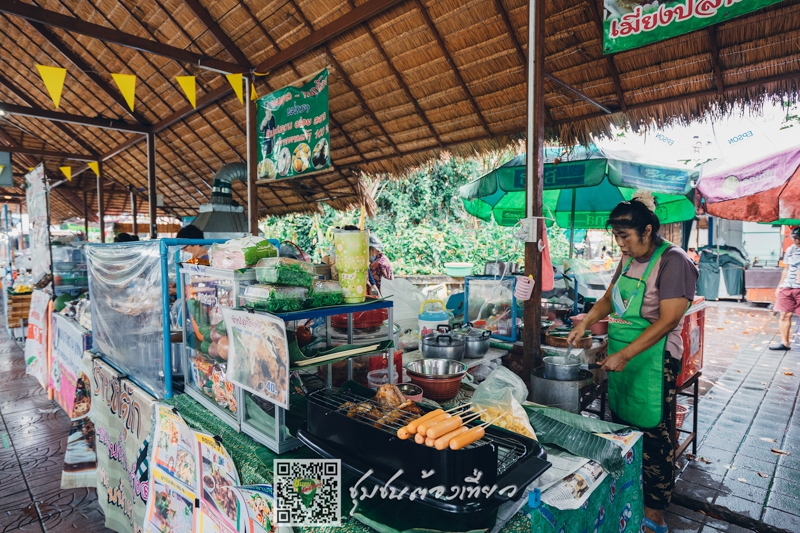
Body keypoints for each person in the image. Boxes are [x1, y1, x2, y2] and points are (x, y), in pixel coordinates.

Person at [567, 196, 698, 533]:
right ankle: (628, 497)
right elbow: (611, 297)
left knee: (654, 435)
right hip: (623, 356)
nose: (620, 244)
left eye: (625, 236)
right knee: (624, 428)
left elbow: (668, 320)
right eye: (616, 237)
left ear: (648, 230)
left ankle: (654, 514)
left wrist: (626, 354)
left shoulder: (673, 261)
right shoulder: (628, 258)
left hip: (654, 359)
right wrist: (587, 322)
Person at [769, 227, 800, 351]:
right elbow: (786, 269)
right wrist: (779, 286)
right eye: (795, 238)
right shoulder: (790, 250)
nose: (797, 241)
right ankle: (784, 343)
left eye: (799, 238)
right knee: (784, 315)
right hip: (787, 286)